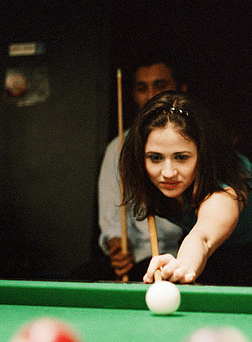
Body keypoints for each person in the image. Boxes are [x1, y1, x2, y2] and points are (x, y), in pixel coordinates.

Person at [119, 92, 252, 286]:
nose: (168, 172)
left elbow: (202, 237)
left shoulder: (224, 187)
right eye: (155, 157)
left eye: (181, 157)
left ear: (202, 154)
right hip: (208, 254)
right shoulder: (145, 175)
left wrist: (184, 266)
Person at [73, 52, 185, 281]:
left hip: (192, 257)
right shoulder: (120, 148)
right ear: (134, 94)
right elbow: (113, 217)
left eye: (160, 85)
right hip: (142, 261)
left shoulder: (196, 140)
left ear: (180, 88)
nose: (151, 96)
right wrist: (118, 247)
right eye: (142, 88)